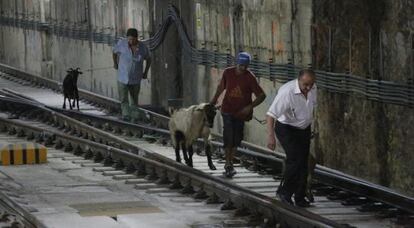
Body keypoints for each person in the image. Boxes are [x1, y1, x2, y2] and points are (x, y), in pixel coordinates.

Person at [266, 69, 317, 207]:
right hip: (286, 128)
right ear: (298, 80)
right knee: (294, 159)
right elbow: (271, 115)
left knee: (304, 162)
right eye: (305, 84)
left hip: (303, 129)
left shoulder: (312, 88)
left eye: (311, 85)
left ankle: (300, 197)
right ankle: (285, 192)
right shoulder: (287, 93)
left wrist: (312, 127)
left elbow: (311, 108)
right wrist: (271, 137)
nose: (308, 88)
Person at [210, 52, 266, 178]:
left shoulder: (250, 77)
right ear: (237, 63)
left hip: (241, 113)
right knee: (228, 135)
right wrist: (214, 100)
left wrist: (249, 107)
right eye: (241, 66)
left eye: (246, 66)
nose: (243, 68)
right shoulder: (228, 73)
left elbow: (262, 95)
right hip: (227, 109)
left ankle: (230, 161)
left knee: (237, 138)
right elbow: (221, 87)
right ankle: (228, 163)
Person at [112, 28, 152, 121]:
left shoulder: (142, 48)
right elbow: (114, 52)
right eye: (129, 39)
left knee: (134, 100)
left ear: (137, 38)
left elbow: (149, 59)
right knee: (124, 99)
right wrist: (115, 63)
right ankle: (126, 115)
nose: (131, 41)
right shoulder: (122, 44)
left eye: (133, 39)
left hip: (135, 78)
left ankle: (134, 117)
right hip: (122, 77)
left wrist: (145, 72)